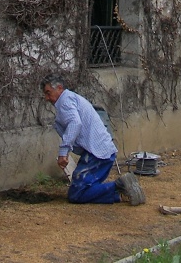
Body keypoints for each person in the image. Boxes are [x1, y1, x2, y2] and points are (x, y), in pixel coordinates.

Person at [40, 73, 146, 206]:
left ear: (59, 88)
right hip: (101, 151)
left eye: (48, 93)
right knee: (81, 190)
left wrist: (63, 152)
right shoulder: (71, 98)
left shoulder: (65, 101)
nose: (47, 98)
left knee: (76, 194)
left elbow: (75, 123)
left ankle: (119, 186)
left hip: (97, 153)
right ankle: (119, 194)